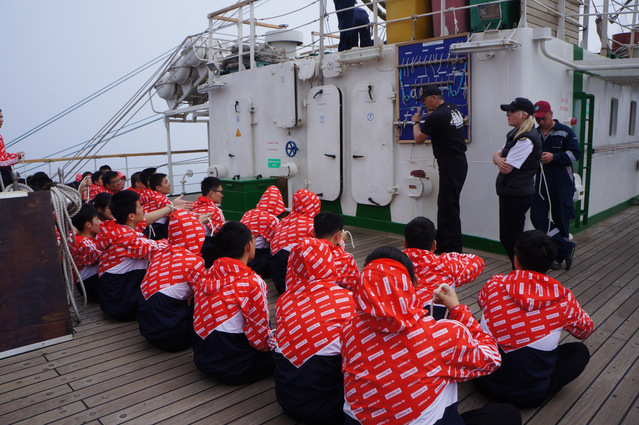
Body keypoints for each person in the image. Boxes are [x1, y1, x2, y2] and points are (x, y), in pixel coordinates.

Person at [341, 246, 521, 425]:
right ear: (415, 282)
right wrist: (458, 309)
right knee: (508, 414)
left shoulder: (348, 331)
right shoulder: (441, 335)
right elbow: (492, 358)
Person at [475, 230, 593, 408]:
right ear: (550, 264)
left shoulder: (495, 283)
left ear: (516, 260)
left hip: (483, 383)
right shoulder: (563, 299)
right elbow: (585, 330)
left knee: (480, 324)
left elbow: (482, 303)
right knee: (579, 352)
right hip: (528, 396)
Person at [274, 237, 355, 424]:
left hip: (287, 400)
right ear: (329, 262)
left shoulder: (283, 301)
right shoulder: (349, 299)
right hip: (330, 408)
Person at [192, 221, 276, 385]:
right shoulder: (253, 282)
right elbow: (259, 336)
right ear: (248, 246)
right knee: (284, 351)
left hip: (203, 359)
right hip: (235, 367)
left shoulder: (207, 275)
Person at [137, 209, 206, 352]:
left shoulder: (160, 253)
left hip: (148, 330)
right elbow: (203, 295)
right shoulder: (193, 262)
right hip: (173, 337)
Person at [94, 190, 168, 320]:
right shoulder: (128, 240)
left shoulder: (115, 228)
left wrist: (170, 208)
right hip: (122, 305)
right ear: (131, 216)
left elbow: (144, 222)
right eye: (140, 206)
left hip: (112, 299)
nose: (143, 209)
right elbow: (162, 248)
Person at [412, 86, 468, 254]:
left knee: (447, 207)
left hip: (450, 164)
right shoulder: (453, 108)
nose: (423, 104)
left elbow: (418, 139)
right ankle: (445, 244)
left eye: (424, 100)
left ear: (434, 98)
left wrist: (416, 121)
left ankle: (451, 249)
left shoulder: (435, 116)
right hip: (459, 162)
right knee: (448, 205)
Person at [403, 216, 484, 319]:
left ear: (405, 243)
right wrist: (449, 256)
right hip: (437, 321)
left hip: (402, 319)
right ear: (434, 245)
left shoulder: (392, 262)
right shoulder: (447, 264)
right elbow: (478, 262)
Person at [493, 97, 542, 268]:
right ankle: (519, 271)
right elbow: (496, 156)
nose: (507, 114)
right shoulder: (516, 134)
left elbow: (506, 168)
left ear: (523, 115)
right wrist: (498, 159)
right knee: (507, 237)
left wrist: (499, 160)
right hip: (511, 192)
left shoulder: (525, 139)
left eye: (511, 111)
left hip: (516, 194)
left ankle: (521, 271)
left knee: (511, 237)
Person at [531, 100, 580, 270]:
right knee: (537, 217)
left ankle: (559, 257)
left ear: (551, 114)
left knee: (561, 217)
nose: (540, 122)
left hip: (562, 181)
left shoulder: (565, 132)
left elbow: (576, 154)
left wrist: (554, 157)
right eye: (537, 119)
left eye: (543, 118)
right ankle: (566, 247)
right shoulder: (535, 133)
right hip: (542, 181)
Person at [270, 188, 321, 294]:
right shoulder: (312, 225)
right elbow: (329, 244)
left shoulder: (284, 221)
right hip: (295, 285)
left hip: (279, 278)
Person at [240, 185, 286, 277]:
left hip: (242, 255)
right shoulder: (271, 219)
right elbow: (276, 242)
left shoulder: (248, 213)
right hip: (257, 258)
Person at [313, 211, 359, 291]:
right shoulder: (345, 259)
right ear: (337, 235)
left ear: (314, 233)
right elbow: (355, 287)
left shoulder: (303, 252)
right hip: (331, 296)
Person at [70, 203, 102, 302]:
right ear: (88, 224)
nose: (100, 222)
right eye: (97, 219)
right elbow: (104, 257)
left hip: (84, 285)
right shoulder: (85, 244)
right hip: (90, 287)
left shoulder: (75, 238)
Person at [191, 176, 226, 268]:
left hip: (191, 250)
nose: (222, 195)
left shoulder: (192, 207)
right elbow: (222, 233)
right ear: (211, 193)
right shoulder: (215, 210)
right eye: (221, 192)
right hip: (206, 252)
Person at [0, 109, 26, 188]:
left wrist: (14, 155)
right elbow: (1, 162)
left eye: (2, 117)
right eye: (0, 117)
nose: (2, 120)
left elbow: (2, 156)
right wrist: (15, 157)